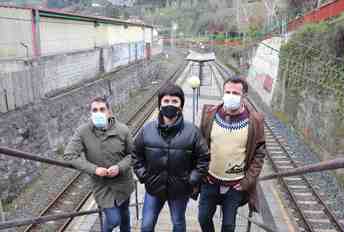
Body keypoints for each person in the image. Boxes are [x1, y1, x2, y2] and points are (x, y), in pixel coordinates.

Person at [132, 83, 210, 232]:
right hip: (153, 188)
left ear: (181, 105)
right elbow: (136, 154)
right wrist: (144, 175)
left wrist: (191, 180)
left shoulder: (193, 132)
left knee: (178, 223)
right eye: (166, 101)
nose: (170, 105)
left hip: (180, 190)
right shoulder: (147, 130)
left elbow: (204, 159)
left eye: (175, 101)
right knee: (146, 225)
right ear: (160, 104)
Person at [198, 77, 267, 232]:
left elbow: (259, 154)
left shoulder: (255, 121)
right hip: (210, 180)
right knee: (203, 218)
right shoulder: (209, 114)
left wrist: (246, 182)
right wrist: (202, 173)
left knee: (229, 226)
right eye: (227, 92)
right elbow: (199, 145)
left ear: (244, 96)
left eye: (235, 93)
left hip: (235, 185)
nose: (230, 96)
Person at [64, 96, 134, 232]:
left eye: (102, 109)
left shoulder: (123, 130)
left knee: (124, 215)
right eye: (94, 110)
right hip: (102, 185)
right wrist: (94, 169)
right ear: (90, 113)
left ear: (109, 111)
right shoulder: (83, 131)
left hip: (123, 183)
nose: (98, 113)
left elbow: (133, 155)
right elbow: (69, 155)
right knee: (114, 220)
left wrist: (119, 167)